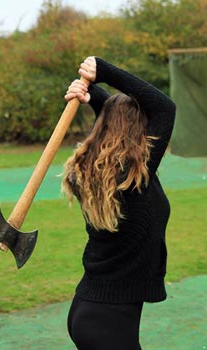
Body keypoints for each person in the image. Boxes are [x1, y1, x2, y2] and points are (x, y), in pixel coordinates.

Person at [62, 56, 176, 350]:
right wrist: (104, 70)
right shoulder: (135, 178)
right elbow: (165, 106)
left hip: (88, 308)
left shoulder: (105, 171)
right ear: (138, 130)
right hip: (108, 323)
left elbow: (113, 117)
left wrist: (93, 96)